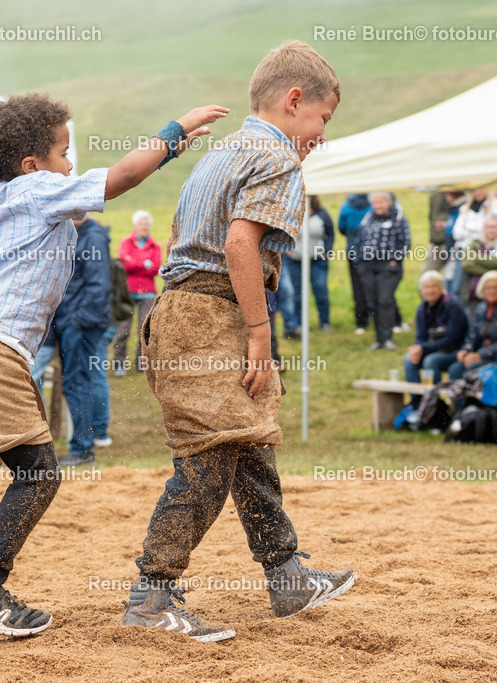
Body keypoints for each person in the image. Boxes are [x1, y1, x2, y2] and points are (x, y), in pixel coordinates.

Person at [0, 92, 228, 642]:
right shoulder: (38, 189)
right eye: (63, 153)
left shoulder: (11, 196)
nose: (70, 164)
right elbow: (121, 176)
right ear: (33, 165)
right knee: (38, 474)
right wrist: (175, 133)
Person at [121, 41, 354, 644]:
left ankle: (285, 573)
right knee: (209, 457)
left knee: (246, 442)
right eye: (322, 120)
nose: (321, 136)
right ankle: (153, 592)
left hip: (178, 309)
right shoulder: (276, 156)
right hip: (211, 312)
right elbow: (238, 245)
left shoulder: (227, 148)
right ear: (294, 100)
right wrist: (259, 333)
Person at [55, 214, 112, 467]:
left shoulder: (92, 237)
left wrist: (76, 321)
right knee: (79, 382)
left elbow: (98, 286)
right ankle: (82, 445)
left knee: (77, 382)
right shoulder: (78, 236)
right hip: (74, 321)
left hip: (81, 324)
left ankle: (82, 448)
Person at [403, 271, 468, 405]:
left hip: (454, 350)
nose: (430, 290)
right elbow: (421, 337)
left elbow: (452, 338)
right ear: (421, 290)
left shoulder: (453, 307)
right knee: (408, 359)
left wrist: (423, 348)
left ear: (442, 288)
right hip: (434, 349)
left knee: (431, 361)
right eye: (426, 287)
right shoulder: (422, 309)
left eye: (434, 286)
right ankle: (417, 403)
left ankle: (435, 405)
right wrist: (417, 349)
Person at [357, 191, 410, 350]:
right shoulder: (368, 218)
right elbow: (359, 239)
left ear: (389, 203)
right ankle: (379, 339)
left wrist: (396, 259)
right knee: (372, 302)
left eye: (381, 202)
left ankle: (387, 338)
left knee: (385, 300)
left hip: (389, 267)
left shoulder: (398, 218)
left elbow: (405, 241)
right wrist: (358, 260)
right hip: (367, 266)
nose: (378, 206)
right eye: (375, 203)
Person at [113, 210, 161, 374]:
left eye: (146, 224)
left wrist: (135, 263)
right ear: (135, 225)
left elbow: (155, 269)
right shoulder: (126, 242)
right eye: (141, 224)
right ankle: (119, 364)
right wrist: (144, 264)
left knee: (144, 328)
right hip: (127, 291)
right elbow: (124, 265)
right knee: (123, 329)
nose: (144, 227)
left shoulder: (156, 246)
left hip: (148, 292)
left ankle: (142, 362)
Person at [449, 271, 497, 379]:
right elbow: (472, 336)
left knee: (471, 369)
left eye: (496, 287)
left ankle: (471, 396)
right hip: (482, 355)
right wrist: (466, 350)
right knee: (455, 369)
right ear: (482, 290)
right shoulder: (481, 308)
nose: (492, 291)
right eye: (488, 288)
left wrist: (480, 355)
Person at [284, 195, 334, 335]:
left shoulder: (322, 214)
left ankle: (324, 322)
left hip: (317, 260)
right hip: (295, 260)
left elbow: (330, 234)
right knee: (297, 293)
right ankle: (299, 324)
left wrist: (327, 251)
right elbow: (282, 233)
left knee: (321, 289)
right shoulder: (291, 213)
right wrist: (286, 249)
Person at [447, 189, 497, 296]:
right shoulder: (465, 208)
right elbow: (456, 233)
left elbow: (489, 231)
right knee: (457, 285)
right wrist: (476, 231)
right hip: (463, 251)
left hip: (484, 250)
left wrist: (468, 229)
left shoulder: (494, 207)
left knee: (480, 286)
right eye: (475, 191)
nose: (478, 192)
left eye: (481, 190)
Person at [459, 215, 497, 304]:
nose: (491, 230)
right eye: (488, 227)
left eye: (494, 227)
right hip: (473, 295)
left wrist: (477, 257)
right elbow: (466, 265)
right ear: (483, 229)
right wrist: (492, 268)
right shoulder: (475, 243)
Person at [338, 193, 370, 333]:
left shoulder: (346, 206)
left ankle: (361, 322)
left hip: (352, 251)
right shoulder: (373, 203)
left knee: (357, 287)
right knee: (373, 285)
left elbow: (341, 227)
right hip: (372, 252)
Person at [423, 191, 453, 273]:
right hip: (435, 242)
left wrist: (448, 225)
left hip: (450, 242)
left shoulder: (455, 189)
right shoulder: (435, 192)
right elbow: (432, 216)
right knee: (426, 275)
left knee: (451, 276)